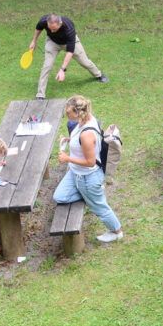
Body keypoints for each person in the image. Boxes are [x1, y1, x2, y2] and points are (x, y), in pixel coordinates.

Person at [53, 95, 123, 243]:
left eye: (68, 113)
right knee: (59, 197)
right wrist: (70, 140)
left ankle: (116, 231)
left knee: (99, 206)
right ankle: (88, 195)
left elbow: (90, 162)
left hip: (87, 177)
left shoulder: (86, 134)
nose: (67, 115)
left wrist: (67, 158)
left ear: (78, 112)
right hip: (75, 173)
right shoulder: (87, 119)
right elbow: (82, 143)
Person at [28, 13, 108, 100]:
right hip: (52, 42)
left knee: (85, 62)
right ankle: (40, 94)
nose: (52, 31)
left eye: (54, 29)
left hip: (68, 43)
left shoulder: (69, 29)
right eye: (49, 29)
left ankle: (99, 75)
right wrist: (34, 41)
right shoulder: (44, 20)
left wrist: (62, 70)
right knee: (46, 66)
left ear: (60, 24)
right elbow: (38, 28)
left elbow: (70, 52)